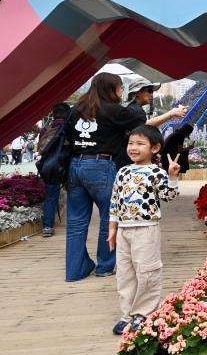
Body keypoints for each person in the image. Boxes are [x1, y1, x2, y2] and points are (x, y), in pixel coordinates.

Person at [64, 72, 147, 282]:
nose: (121, 91)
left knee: (76, 223)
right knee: (109, 218)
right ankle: (105, 266)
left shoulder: (76, 110)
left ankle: (74, 271)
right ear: (111, 88)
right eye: (120, 87)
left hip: (74, 165)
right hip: (101, 165)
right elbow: (139, 118)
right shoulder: (112, 109)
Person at [108, 125, 180, 335]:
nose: (133, 148)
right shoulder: (122, 171)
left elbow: (169, 197)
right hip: (123, 230)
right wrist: (112, 229)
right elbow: (114, 201)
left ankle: (144, 313)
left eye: (140, 144)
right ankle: (127, 314)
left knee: (147, 271)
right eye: (131, 143)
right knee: (124, 273)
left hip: (146, 229)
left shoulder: (156, 172)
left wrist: (172, 176)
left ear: (155, 148)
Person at [114, 77, 188, 169]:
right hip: (124, 160)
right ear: (138, 92)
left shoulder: (132, 108)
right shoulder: (135, 110)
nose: (151, 95)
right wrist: (171, 113)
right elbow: (145, 126)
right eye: (149, 91)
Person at [37, 102, 71, 237]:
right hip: (66, 165)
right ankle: (74, 224)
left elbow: (41, 149)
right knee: (74, 194)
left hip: (49, 167)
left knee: (50, 197)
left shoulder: (45, 129)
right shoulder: (68, 127)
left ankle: (47, 227)